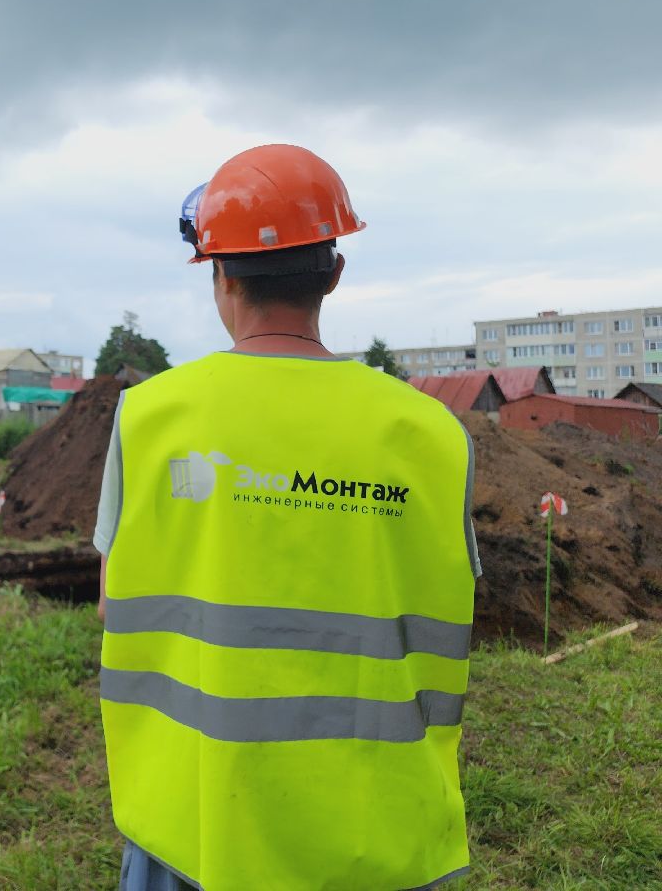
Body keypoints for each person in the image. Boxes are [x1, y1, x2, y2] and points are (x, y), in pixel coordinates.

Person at [94, 144, 481, 891]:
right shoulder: (433, 433)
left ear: (220, 274)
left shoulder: (150, 417)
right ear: (334, 274)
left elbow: (115, 600)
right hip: (381, 828)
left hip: (197, 819)